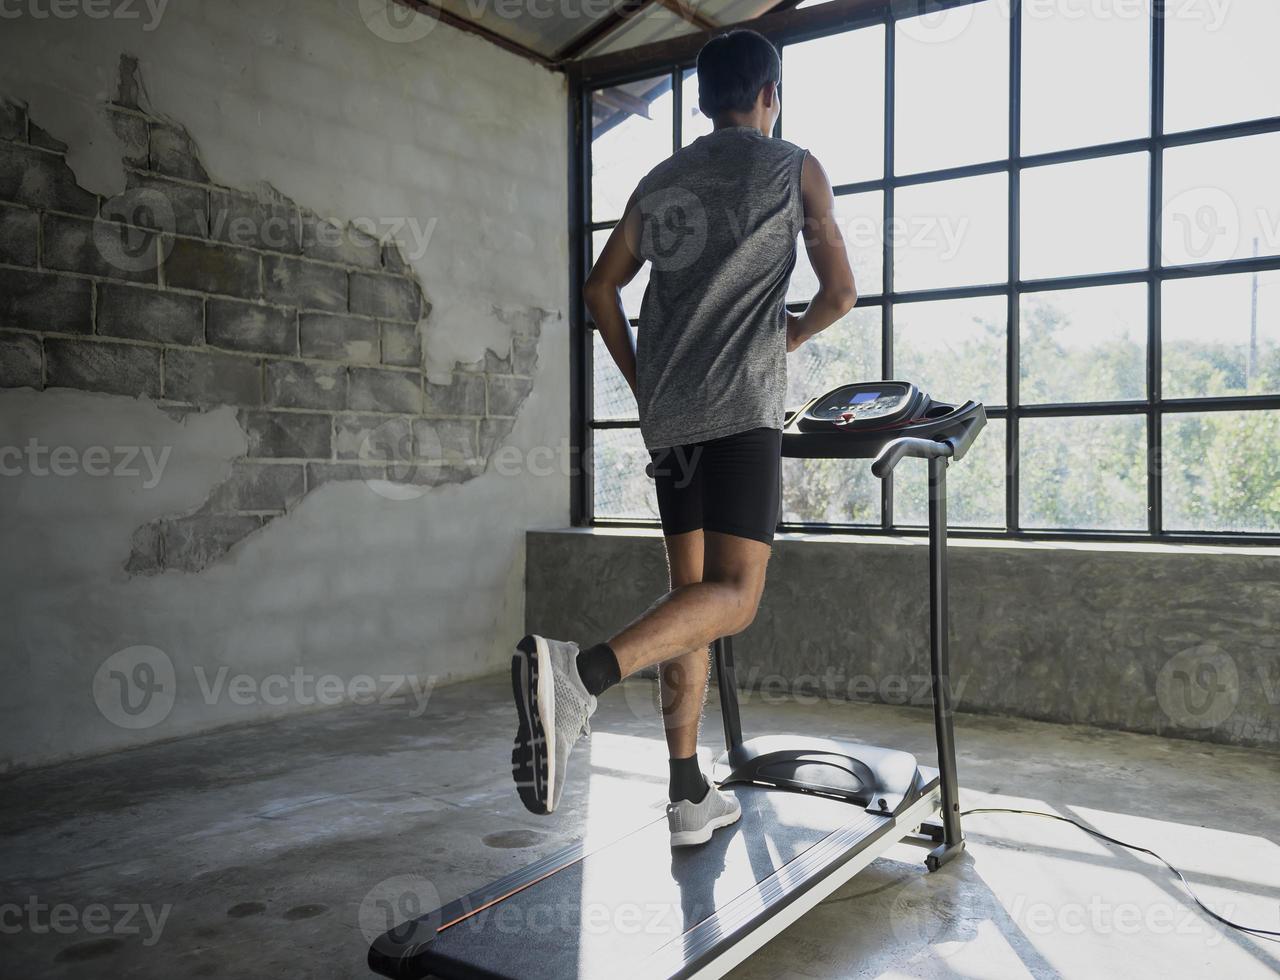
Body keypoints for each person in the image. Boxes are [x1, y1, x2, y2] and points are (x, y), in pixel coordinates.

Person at [512, 29, 857, 846]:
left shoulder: (659, 181)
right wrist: (789, 341)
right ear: (770, 93)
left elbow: (601, 290)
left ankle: (686, 796)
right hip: (740, 411)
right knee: (734, 599)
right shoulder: (793, 166)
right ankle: (581, 674)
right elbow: (841, 292)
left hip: (674, 420)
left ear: (704, 100)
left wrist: (643, 384)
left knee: (689, 604)